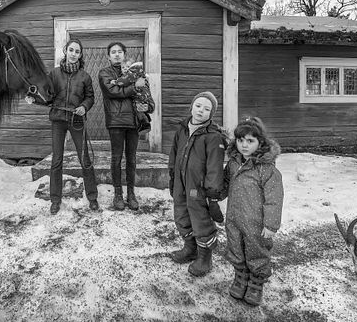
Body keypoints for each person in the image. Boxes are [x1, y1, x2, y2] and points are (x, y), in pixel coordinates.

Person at [223, 116, 284, 306]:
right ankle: (241, 276)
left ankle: (256, 282)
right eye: (240, 140)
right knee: (236, 248)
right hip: (234, 219)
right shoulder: (233, 163)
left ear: (260, 142)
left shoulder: (266, 169)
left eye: (250, 141)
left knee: (256, 251)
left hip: (256, 223)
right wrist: (213, 195)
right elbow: (225, 183)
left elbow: (274, 198)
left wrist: (271, 224)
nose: (244, 145)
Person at [168, 91, 227, 277]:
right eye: (198, 106)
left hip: (199, 188)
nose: (201, 110)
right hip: (180, 183)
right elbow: (174, 155)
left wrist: (212, 194)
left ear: (211, 114)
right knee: (182, 216)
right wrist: (172, 178)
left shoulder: (213, 137)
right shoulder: (183, 129)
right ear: (192, 107)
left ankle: (204, 257)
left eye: (207, 109)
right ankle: (190, 248)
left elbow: (214, 168)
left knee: (200, 220)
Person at [45, 39, 99, 214]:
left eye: (77, 51)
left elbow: (90, 97)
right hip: (58, 120)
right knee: (57, 160)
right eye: (71, 50)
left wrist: (84, 106)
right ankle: (55, 199)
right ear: (65, 51)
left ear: (80, 54)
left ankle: (92, 197)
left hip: (76, 120)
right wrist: (35, 97)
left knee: (85, 159)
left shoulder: (85, 76)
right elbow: (46, 94)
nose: (74, 54)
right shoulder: (54, 74)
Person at [98, 42, 154, 211]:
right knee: (116, 158)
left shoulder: (138, 73)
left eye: (119, 52)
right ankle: (117, 194)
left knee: (132, 158)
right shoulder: (105, 73)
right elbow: (112, 92)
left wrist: (148, 107)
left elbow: (149, 100)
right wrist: (134, 86)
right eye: (113, 52)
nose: (116, 54)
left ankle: (131, 193)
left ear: (124, 54)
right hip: (115, 121)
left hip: (134, 122)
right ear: (108, 56)